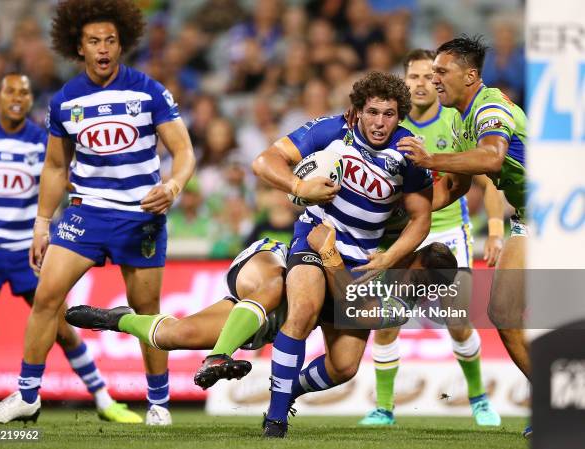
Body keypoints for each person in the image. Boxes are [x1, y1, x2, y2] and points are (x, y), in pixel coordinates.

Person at [0, 0, 195, 426]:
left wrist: (172, 186)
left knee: (145, 310)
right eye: (94, 41)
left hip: (141, 216)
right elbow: (56, 167)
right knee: (45, 297)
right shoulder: (64, 101)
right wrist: (42, 224)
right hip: (87, 215)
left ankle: (158, 403)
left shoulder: (148, 91)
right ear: (78, 47)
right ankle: (26, 395)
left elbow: (184, 151)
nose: (103, 48)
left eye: (110, 41)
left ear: (122, 46)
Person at [251, 71, 434, 437]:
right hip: (316, 240)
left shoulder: (409, 153)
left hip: (361, 260)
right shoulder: (331, 130)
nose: (380, 122)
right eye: (372, 112)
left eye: (389, 114)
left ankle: (289, 392)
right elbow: (264, 161)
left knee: (343, 367)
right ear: (358, 111)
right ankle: (274, 420)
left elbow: (421, 217)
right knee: (302, 313)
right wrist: (299, 185)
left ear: (400, 116)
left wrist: (388, 257)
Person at [64, 227, 458, 393]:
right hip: (274, 262)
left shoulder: (394, 308)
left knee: (173, 336)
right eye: (417, 278)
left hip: (285, 311)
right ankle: (218, 356)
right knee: (275, 283)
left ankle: (115, 319)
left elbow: (347, 299)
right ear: (415, 259)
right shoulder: (388, 239)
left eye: (424, 289)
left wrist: (332, 253)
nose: (416, 289)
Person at [0, 73, 139, 424]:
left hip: (28, 251)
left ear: (31, 99)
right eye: (11, 91)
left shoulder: (42, 140)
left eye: (25, 91)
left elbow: (63, 178)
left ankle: (103, 399)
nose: (18, 97)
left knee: (62, 327)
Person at [359, 49, 504, 427]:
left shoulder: (456, 120)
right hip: (402, 236)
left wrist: (495, 229)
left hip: (447, 233)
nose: (422, 83)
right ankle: (384, 408)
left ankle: (479, 399)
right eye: (414, 76)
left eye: (429, 75)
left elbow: (488, 174)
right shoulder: (387, 124)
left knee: (457, 320)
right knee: (388, 320)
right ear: (404, 82)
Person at [397, 36, 529, 436]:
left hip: (568, 213)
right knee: (503, 315)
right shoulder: (457, 118)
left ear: (470, 75)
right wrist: (399, 212)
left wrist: (429, 158)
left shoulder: (491, 107)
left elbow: (491, 157)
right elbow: (454, 186)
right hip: (530, 217)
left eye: (441, 71)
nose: (434, 78)